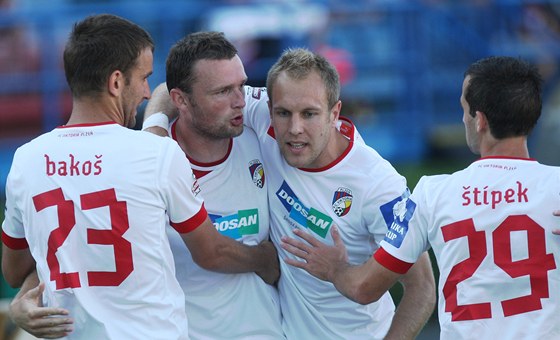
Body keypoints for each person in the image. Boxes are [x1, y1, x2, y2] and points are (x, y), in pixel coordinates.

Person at [1, 14, 278, 339]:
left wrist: (22, 301)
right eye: (143, 77)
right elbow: (210, 252)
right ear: (116, 82)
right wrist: (266, 258)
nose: (147, 91)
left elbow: (15, 269)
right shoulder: (157, 153)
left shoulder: (27, 160)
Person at [144, 47, 436, 339]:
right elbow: (168, 90)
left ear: (335, 112)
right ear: (270, 108)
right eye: (284, 113)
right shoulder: (259, 114)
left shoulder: (379, 185)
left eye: (310, 114)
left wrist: (339, 270)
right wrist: (153, 135)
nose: (295, 129)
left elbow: (422, 287)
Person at [280, 56, 560, 339]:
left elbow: (364, 287)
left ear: (480, 121)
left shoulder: (432, 193)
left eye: (464, 109)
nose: (463, 117)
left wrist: (335, 269)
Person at [147, 31, 283, 339]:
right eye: (222, 92)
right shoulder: (148, 164)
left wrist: (151, 123)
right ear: (180, 99)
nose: (239, 101)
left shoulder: (260, 127)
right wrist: (265, 260)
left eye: (241, 85)